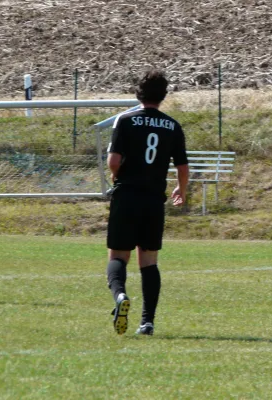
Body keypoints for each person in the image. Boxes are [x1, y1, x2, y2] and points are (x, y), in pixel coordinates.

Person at [106, 69, 189, 336]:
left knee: (119, 255)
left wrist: (116, 176)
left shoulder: (125, 120)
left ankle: (120, 296)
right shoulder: (173, 125)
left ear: (138, 93)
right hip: (153, 199)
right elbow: (183, 165)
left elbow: (114, 162)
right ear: (163, 96)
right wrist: (181, 188)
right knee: (149, 260)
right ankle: (147, 322)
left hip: (127, 195)